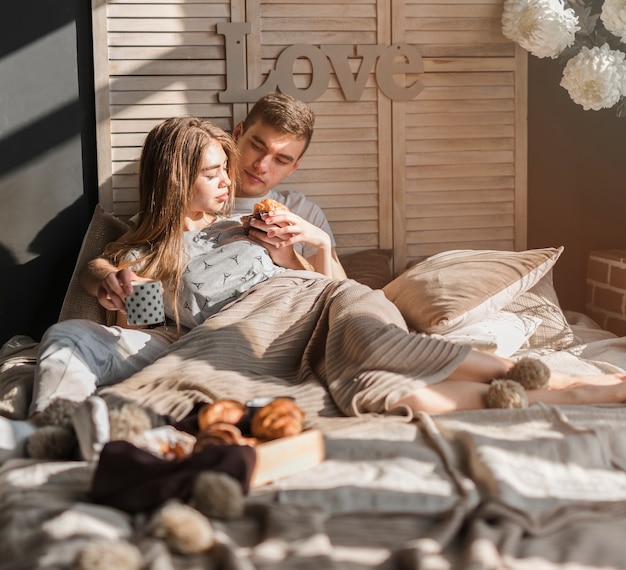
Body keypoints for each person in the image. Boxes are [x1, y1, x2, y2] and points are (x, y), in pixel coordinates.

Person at [27, 116, 626, 424]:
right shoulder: (143, 256)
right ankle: (55, 431)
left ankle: (554, 379)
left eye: (223, 169)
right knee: (371, 393)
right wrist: (107, 277)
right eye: (213, 172)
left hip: (317, 302)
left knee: (367, 338)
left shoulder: (258, 223)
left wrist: (308, 246)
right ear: (177, 179)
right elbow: (153, 332)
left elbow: (329, 281)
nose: (228, 180)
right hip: (262, 346)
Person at [229, 92, 346, 280]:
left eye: (281, 160)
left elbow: (346, 295)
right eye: (257, 147)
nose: (261, 166)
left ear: (294, 167)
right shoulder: (192, 207)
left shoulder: (304, 213)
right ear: (236, 134)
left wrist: (291, 259)